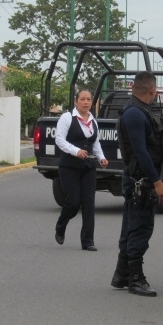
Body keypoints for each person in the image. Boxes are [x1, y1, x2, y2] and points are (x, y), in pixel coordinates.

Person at [110, 71, 163, 297]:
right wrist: (157, 182)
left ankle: (121, 274)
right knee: (140, 228)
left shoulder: (138, 110)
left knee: (131, 226)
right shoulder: (135, 114)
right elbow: (141, 152)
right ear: (153, 91)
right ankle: (135, 278)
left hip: (139, 179)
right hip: (142, 181)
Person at [54, 89, 108, 251]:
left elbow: (95, 143)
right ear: (76, 101)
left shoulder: (93, 120)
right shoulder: (67, 118)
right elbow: (59, 140)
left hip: (88, 168)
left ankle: (88, 241)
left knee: (89, 204)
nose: (86, 102)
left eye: (88, 99)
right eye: (82, 99)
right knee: (73, 202)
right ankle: (61, 225)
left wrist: (101, 158)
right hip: (69, 166)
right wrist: (76, 151)